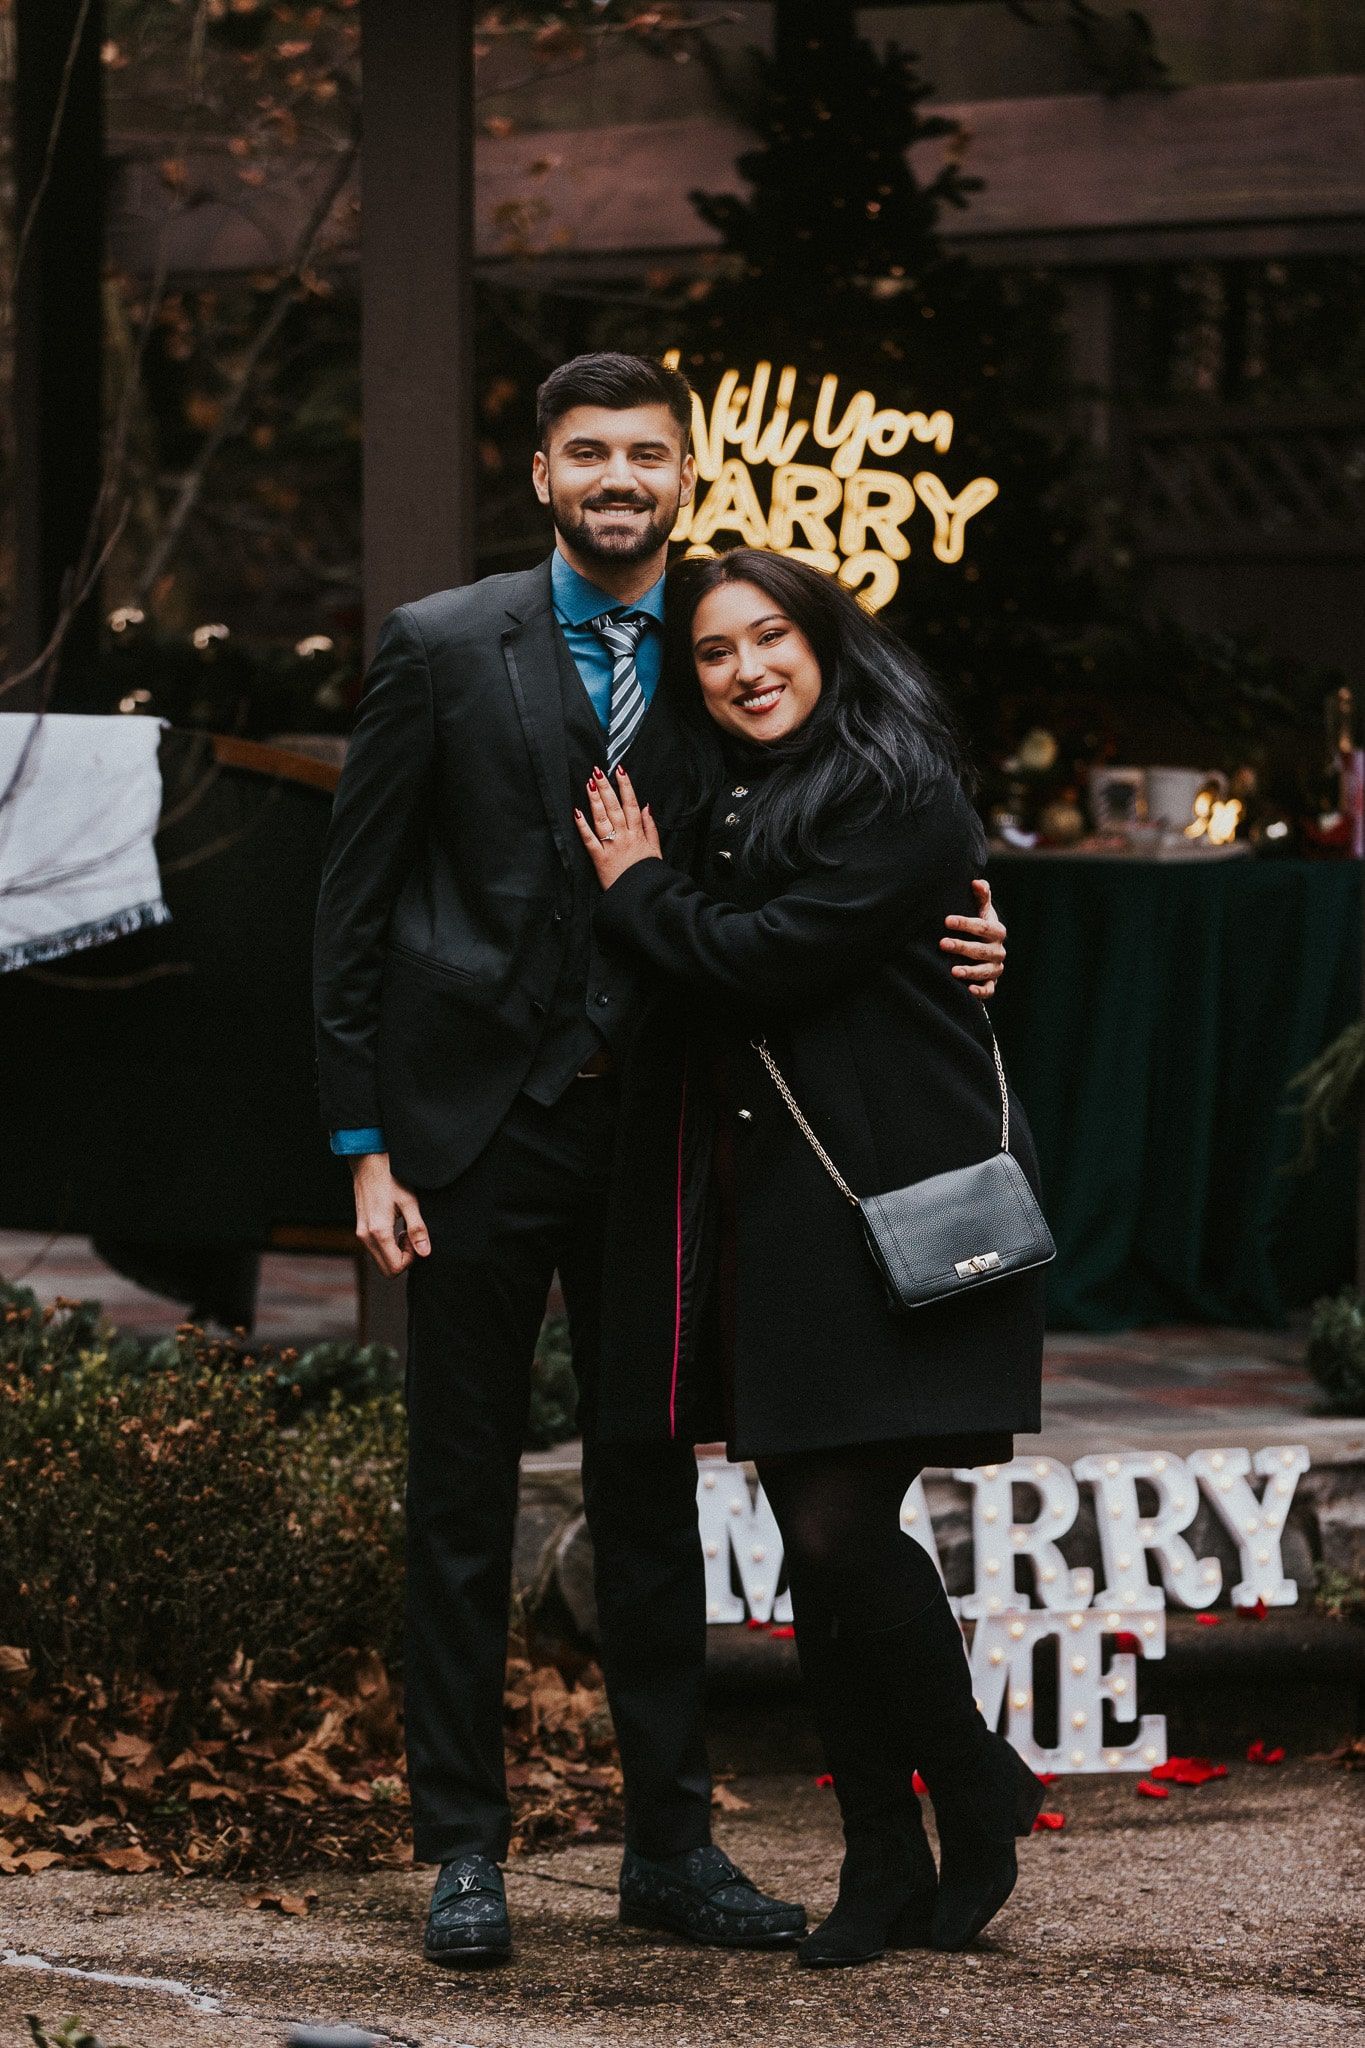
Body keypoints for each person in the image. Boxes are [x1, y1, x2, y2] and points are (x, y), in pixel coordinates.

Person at [313, 354, 1009, 1967]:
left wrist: (968, 924)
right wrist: (362, 1145)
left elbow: (838, 828)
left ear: (683, 473)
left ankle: (671, 1850)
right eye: (587, 452)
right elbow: (351, 910)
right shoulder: (440, 645)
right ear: (541, 473)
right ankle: (462, 1848)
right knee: (459, 1501)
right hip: (471, 1139)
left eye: (644, 452)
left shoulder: (726, 640)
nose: (616, 477)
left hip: (668, 1144)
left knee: (650, 1502)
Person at [573, 545, 1049, 1969]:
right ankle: (881, 1858)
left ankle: (973, 1782)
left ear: (827, 640)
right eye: (714, 653)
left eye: (769, 637)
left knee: (841, 1534)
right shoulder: (726, 790)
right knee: (816, 1548)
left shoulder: (896, 788)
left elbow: (766, 956)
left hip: (897, 1197)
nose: (747, 671)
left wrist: (636, 888)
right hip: (783, 1211)